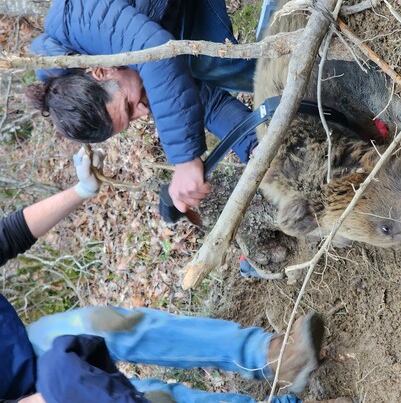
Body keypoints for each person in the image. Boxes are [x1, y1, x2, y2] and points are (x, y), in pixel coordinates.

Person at [0, 149, 351, 403]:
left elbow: (8, 236)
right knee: (152, 400)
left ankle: (272, 356)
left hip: (26, 345)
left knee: (103, 323)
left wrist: (83, 191)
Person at [25, 0, 261, 216]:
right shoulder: (113, 67)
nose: (144, 111)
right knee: (218, 66)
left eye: (128, 106)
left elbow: (156, 54)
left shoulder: (77, 15)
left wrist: (184, 159)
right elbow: (206, 103)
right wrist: (254, 145)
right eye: (132, 117)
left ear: (101, 72)